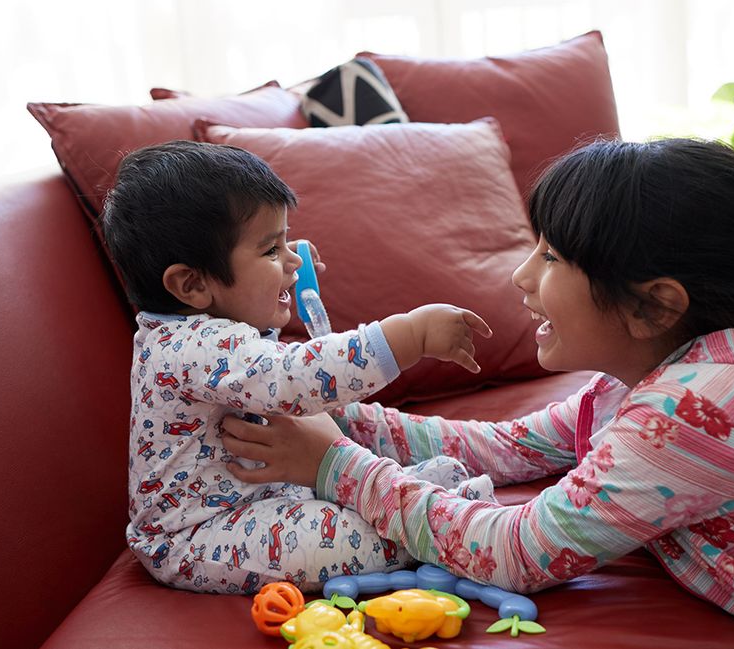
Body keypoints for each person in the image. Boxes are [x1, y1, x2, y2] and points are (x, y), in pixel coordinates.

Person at [219, 139, 734, 647]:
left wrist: (337, 467)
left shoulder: (703, 407)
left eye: (548, 257)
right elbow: (502, 448)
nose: (520, 277)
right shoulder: (660, 378)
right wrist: (346, 414)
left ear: (656, 302)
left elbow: (515, 552)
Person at [101, 140, 494, 594]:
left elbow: (251, 352)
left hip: (264, 500)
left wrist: (272, 265)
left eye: (289, 242)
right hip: (197, 537)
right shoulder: (191, 347)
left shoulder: (194, 328)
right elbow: (292, 379)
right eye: (271, 250)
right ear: (191, 283)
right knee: (333, 541)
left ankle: (421, 503)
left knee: (328, 507)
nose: (293, 262)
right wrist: (408, 336)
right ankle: (437, 525)